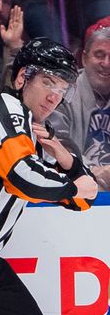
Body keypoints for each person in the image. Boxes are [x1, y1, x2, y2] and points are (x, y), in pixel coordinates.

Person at [0, 37, 98, 315]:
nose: (53, 96)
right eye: (47, 82)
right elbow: (22, 176)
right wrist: (74, 187)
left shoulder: (37, 132)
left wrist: (65, 158)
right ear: (21, 77)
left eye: (61, 89)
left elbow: (85, 198)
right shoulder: (0, 106)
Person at [50, 16, 110, 189]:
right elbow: (56, 143)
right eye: (99, 55)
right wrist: (92, 170)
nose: (106, 63)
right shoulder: (62, 92)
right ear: (84, 58)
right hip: (75, 188)